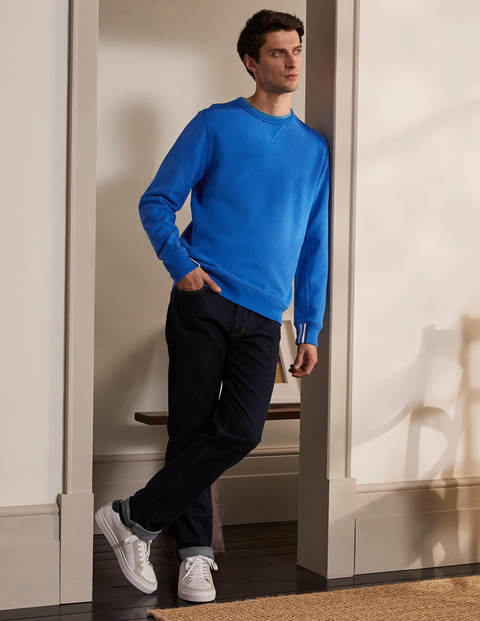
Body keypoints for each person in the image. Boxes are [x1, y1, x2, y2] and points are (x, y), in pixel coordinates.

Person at [95, 8, 330, 603]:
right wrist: (183, 268)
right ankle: (194, 555)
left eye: (297, 50)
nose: (292, 62)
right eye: (278, 52)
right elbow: (156, 201)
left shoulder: (313, 149)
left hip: (266, 312)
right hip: (205, 300)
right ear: (251, 61)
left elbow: (314, 243)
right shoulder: (215, 124)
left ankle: (132, 517)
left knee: (241, 430)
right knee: (192, 427)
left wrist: (309, 326)